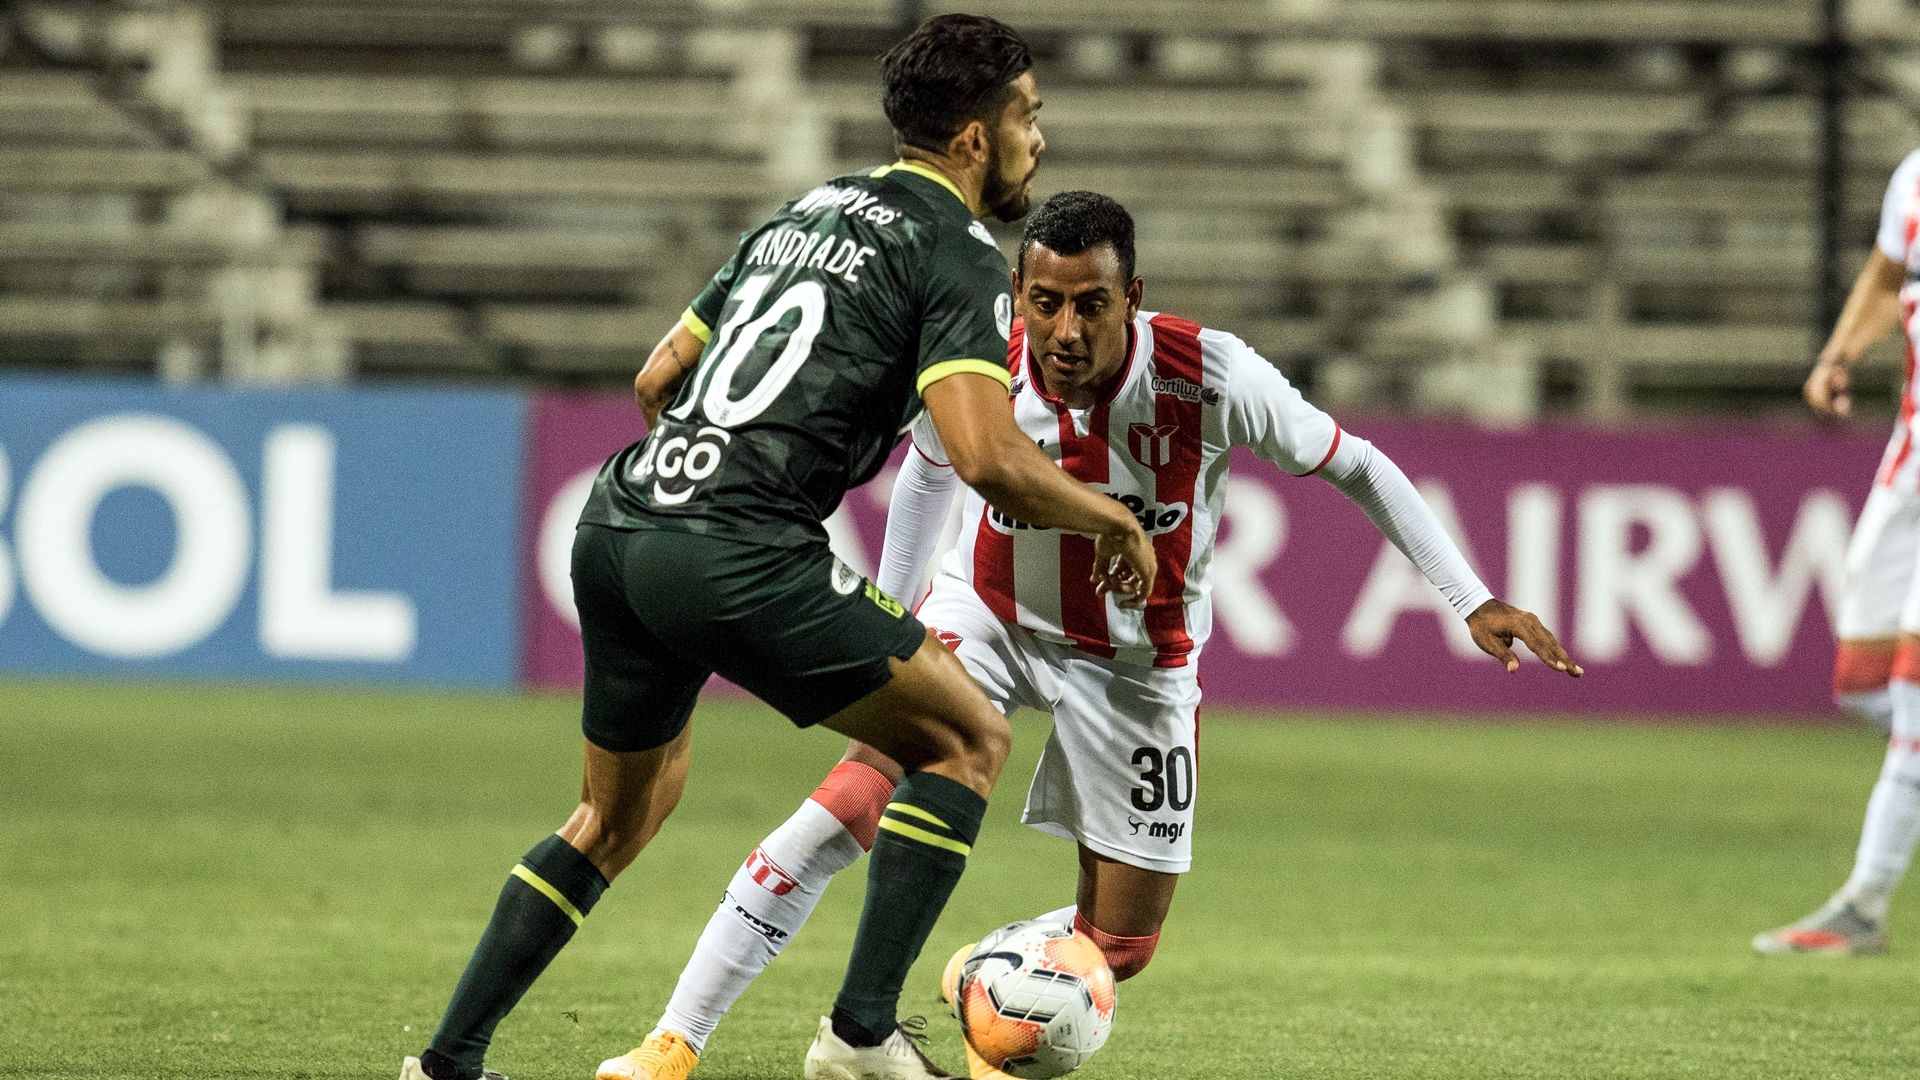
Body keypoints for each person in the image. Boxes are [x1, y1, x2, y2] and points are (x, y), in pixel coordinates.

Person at [614, 190, 1582, 1080]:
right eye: (1045, 302)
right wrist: (896, 620)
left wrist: (1469, 596)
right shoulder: (983, 355)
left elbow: (1357, 462)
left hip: (1138, 663)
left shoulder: (1213, 373)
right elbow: (926, 470)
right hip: (988, 614)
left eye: (1090, 305)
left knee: (1122, 948)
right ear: (1021, 295)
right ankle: (677, 1037)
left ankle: (982, 979)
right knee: (857, 792)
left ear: (1134, 299)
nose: (1064, 331)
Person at [399, 17, 1160, 1080]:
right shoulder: (958, 253)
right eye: (1028, 115)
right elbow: (985, 459)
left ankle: (444, 1063)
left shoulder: (805, 211)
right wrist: (1110, 518)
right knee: (967, 739)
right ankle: (858, 1035)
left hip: (622, 523)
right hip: (738, 545)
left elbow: (660, 376)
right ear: (976, 137)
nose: (1041, 136)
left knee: (610, 821)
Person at [1754, 147, 1920, 957]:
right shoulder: (1915, 175)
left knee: (1915, 697)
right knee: (1861, 682)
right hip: (1908, 467)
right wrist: (1840, 354)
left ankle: (1864, 902)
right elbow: (1890, 277)